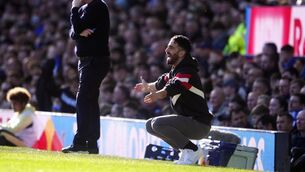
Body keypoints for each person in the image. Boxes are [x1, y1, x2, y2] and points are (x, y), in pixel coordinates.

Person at [134, 35, 213, 165]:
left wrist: (158, 95)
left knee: (157, 124)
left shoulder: (187, 70)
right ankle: (186, 151)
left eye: (171, 47)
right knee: (149, 125)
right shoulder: (175, 71)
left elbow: (174, 86)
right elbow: (160, 83)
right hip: (189, 122)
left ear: (182, 53)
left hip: (199, 124)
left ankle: (192, 150)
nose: (166, 50)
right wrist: (147, 87)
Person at [62, 0, 111, 154]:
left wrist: (74, 8)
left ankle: (81, 141)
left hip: (95, 59)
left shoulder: (97, 6)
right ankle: (91, 143)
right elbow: (73, 33)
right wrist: (78, 31)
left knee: (83, 99)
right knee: (89, 100)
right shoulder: (85, 8)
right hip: (86, 61)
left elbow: (76, 28)